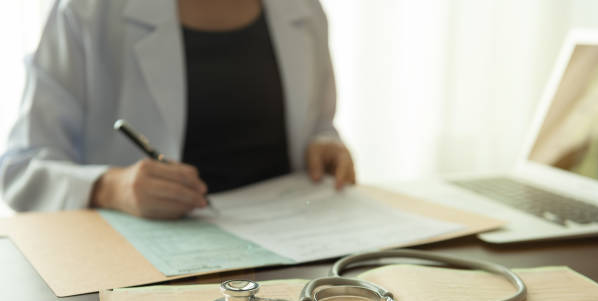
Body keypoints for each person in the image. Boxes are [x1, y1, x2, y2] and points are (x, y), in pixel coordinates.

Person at [0, 0, 355, 219]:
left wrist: (323, 144)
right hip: (146, 267)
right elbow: (20, 170)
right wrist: (110, 188)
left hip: (294, 252)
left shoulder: (304, 9)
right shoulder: (86, 10)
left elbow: (319, 123)